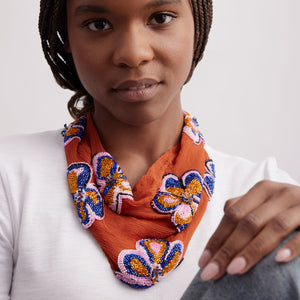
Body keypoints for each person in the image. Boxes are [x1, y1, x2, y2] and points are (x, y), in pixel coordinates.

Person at [0, 0, 299, 299]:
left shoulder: (267, 198)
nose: (133, 54)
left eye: (160, 17)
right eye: (98, 24)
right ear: (66, 35)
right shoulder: (10, 179)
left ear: (196, 23)